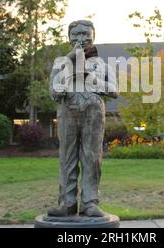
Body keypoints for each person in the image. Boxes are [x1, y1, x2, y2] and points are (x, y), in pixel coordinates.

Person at [48, 20, 118, 217]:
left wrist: (91, 78)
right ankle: (66, 203)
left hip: (93, 113)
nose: (81, 39)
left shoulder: (103, 65)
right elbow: (53, 91)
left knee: (92, 157)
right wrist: (69, 63)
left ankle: (90, 202)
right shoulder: (60, 62)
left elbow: (114, 91)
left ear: (94, 36)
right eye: (76, 34)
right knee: (67, 157)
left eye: (85, 34)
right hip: (67, 111)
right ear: (69, 38)